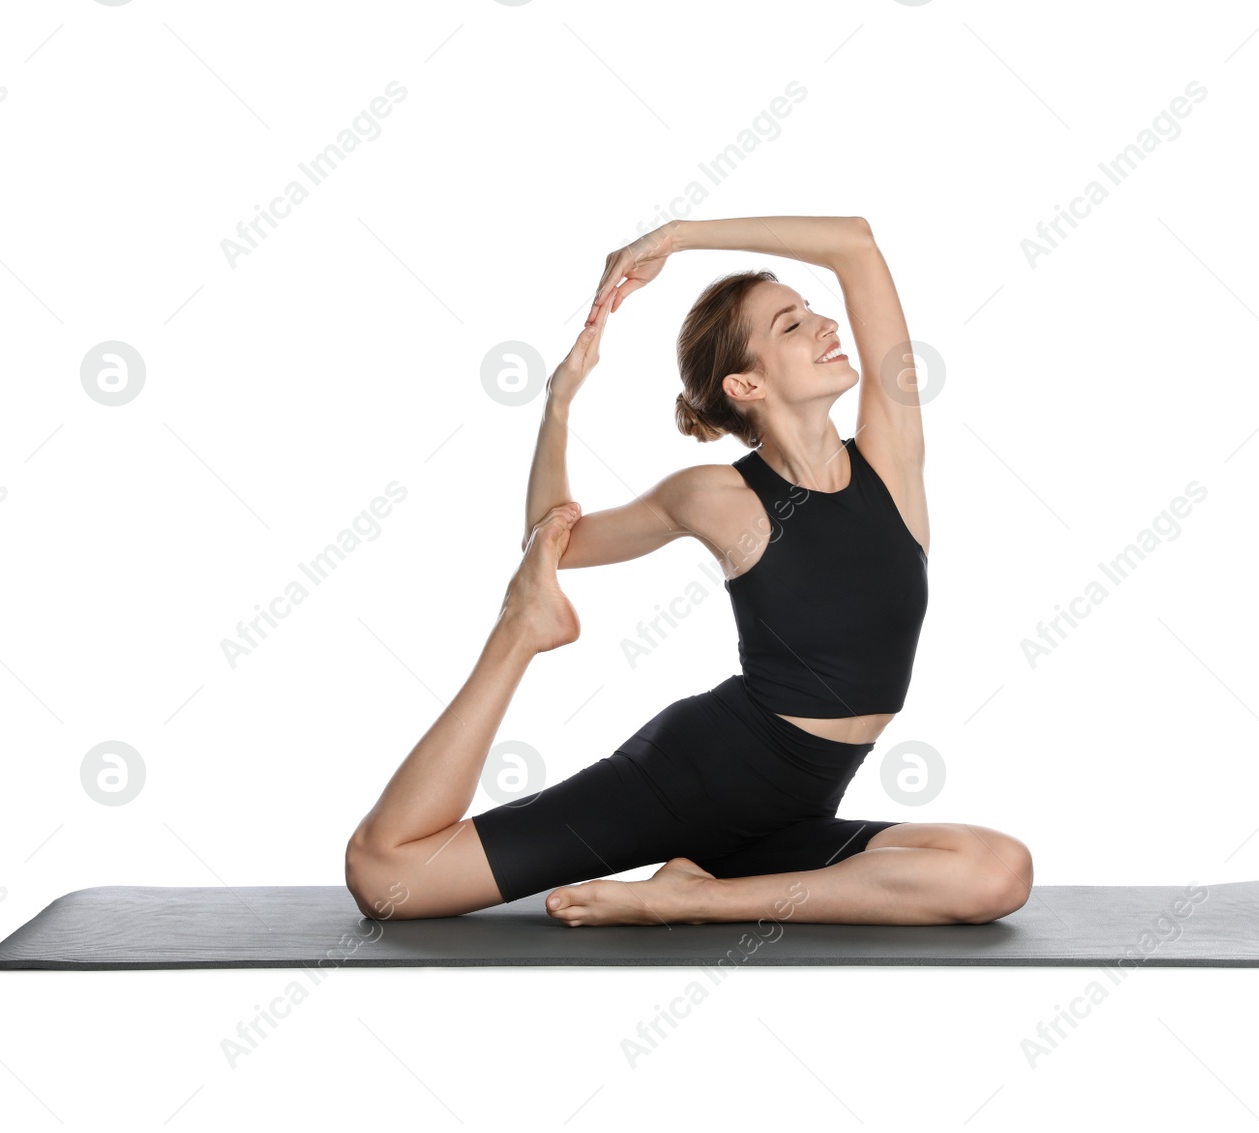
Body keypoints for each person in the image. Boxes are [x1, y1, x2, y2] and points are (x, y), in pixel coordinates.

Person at [345, 215, 1032, 926]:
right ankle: (520, 633)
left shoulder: (891, 462)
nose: (828, 323)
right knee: (386, 875)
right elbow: (553, 540)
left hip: (792, 818)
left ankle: (694, 894)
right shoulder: (717, 498)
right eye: (792, 326)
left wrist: (675, 236)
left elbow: (856, 245)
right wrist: (559, 402)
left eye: (812, 311)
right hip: (689, 782)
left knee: (998, 872)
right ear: (745, 383)